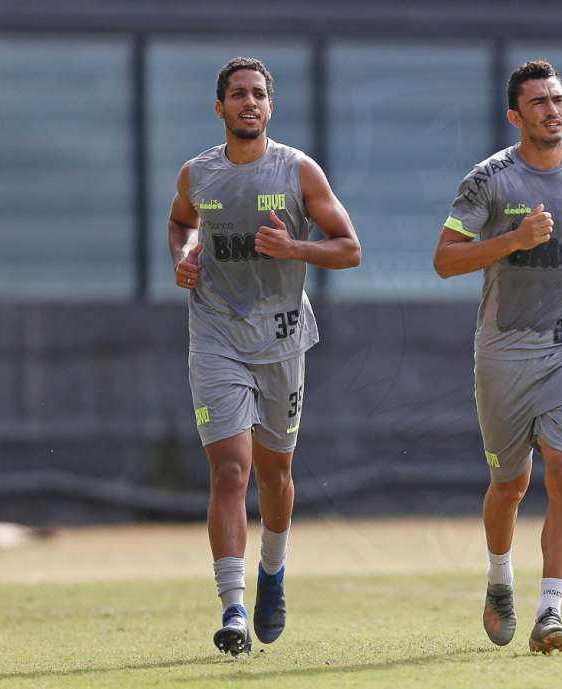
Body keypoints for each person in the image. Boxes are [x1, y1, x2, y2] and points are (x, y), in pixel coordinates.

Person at [168, 56, 361, 656]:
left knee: (276, 474)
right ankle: (231, 609)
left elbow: (349, 249)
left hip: (280, 341)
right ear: (219, 107)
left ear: (270, 107)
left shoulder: (298, 170)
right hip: (216, 333)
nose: (248, 103)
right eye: (237, 94)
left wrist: (292, 245)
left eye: (258, 94)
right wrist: (185, 254)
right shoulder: (197, 174)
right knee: (232, 469)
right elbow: (180, 224)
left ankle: (271, 574)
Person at [432, 59, 562, 654]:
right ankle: (499, 580)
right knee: (509, 485)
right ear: (516, 116)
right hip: (504, 349)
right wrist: (512, 240)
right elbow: (444, 259)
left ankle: (551, 612)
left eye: (558, 99)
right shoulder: (489, 181)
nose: (553, 109)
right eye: (538, 102)